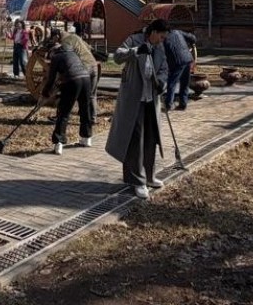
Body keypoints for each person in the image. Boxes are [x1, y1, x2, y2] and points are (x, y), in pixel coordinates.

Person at [107, 19, 169, 199]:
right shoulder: (134, 40)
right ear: (154, 32)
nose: (162, 41)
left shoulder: (159, 47)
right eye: (161, 37)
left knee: (151, 138)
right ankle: (137, 181)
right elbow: (117, 56)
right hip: (134, 99)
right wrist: (135, 51)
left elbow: (164, 68)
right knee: (135, 141)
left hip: (152, 100)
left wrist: (162, 82)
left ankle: (149, 176)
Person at [41, 31, 94, 154]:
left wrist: (45, 92)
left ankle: (58, 143)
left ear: (52, 52)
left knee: (64, 112)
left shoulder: (55, 57)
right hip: (86, 79)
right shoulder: (72, 53)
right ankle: (87, 138)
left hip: (73, 81)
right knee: (85, 109)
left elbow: (51, 79)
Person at [52, 27, 100, 128]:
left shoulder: (65, 42)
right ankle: (93, 118)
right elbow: (89, 48)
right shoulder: (75, 36)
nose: (53, 41)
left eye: (53, 38)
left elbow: (66, 59)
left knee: (68, 92)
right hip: (94, 65)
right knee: (91, 95)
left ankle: (60, 116)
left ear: (57, 36)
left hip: (83, 67)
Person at [161, 27, 198, 111]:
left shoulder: (163, 38)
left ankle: (169, 104)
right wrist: (192, 42)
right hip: (187, 59)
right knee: (184, 83)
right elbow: (192, 38)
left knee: (171, 83)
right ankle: (183, 104)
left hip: (177, 62)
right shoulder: (178, 32)